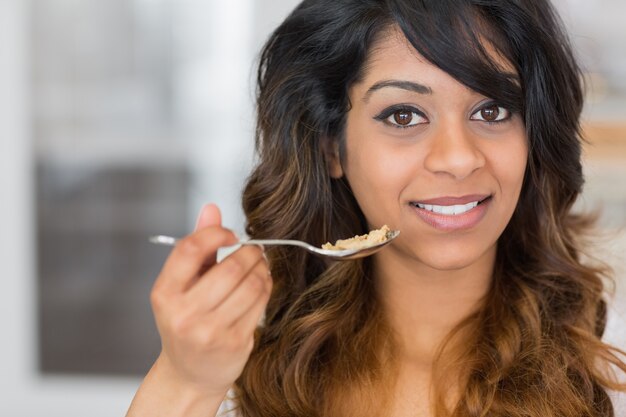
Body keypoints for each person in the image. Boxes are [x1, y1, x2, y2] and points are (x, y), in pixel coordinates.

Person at [126, 0, 626, 416]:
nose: (457, 158)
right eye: (404, 115)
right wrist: (186, 382)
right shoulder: (236, 370)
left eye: (491, 110)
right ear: (332, 148)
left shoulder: (611, 366)